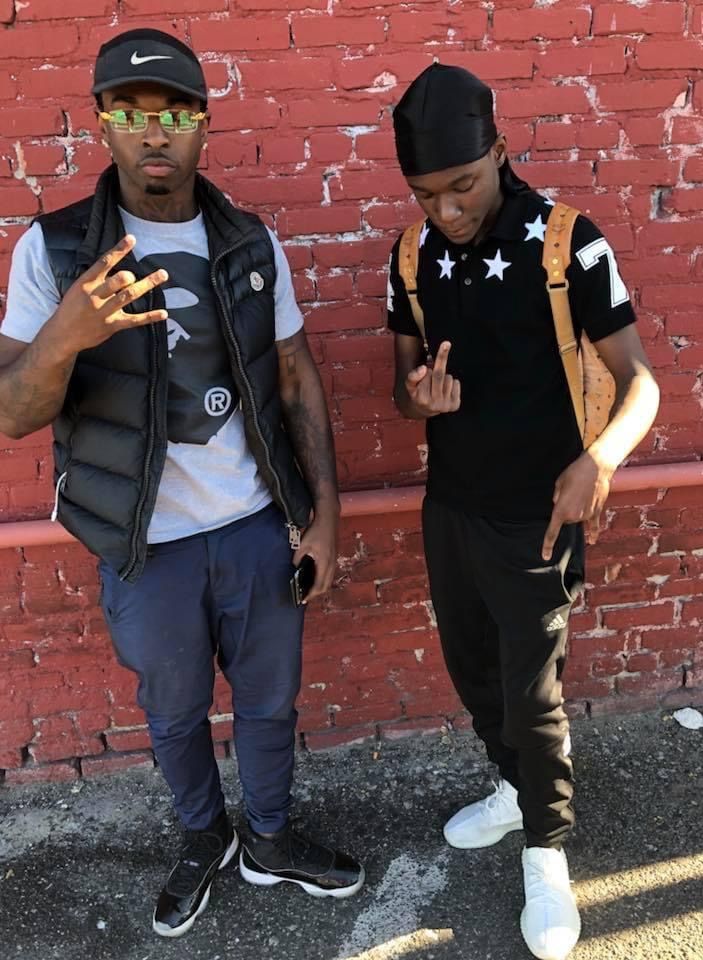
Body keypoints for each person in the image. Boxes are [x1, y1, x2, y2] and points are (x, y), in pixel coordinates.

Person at [0, 28, 363, 939]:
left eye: (174, 116)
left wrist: (324, 514)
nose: (153, 135)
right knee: (173, 710)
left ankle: (270, 837)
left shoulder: (247, 242)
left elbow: (294, 374)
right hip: (140, 541)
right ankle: (203, 837)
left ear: (203, 124)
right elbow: (12, 410)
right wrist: (67, 335)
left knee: (271, 702)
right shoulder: (51, 252)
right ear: (102, 125)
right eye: (131, 116)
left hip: (253, 524)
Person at [387, 64, 659, 960]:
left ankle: (547, 852)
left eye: (462, 185)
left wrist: (599, 459)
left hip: (538, 510)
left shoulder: (567, 245)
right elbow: (405, 388)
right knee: (471, 670)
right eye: (427, 194)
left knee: (530, 690)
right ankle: (511, 790)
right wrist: (421, 401)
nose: (447, 211)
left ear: (500, 151)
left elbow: (640, 383)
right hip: (451, 505)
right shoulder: (412, 254)